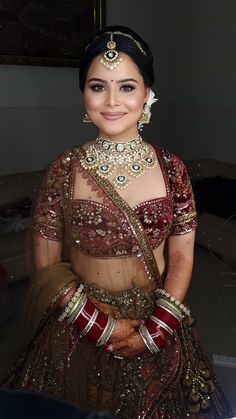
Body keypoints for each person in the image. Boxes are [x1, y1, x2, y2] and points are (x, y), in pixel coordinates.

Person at [2, 25, 232, 419]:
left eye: (127, 87)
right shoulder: (64, 170)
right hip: (76, 325)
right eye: (97, 86)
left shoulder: (172, 169)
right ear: (83, 93)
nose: (111, 101)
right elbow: (45, 264)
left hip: (157, 321)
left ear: (148, 93)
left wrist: (156, 329)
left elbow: (181, 256)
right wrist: (101, 327)